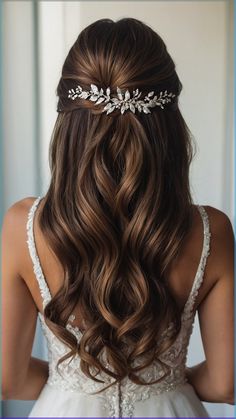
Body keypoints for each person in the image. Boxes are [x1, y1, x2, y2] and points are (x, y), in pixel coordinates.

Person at [1, 17, 234, 418]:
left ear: (68, 122)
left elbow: (9, 379)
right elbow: (226, 383)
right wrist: (163, 381)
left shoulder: (23, 226)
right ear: (169, 124)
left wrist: (73, 385)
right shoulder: (210, 231)